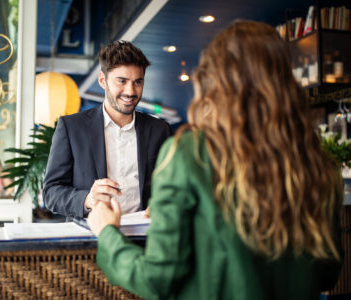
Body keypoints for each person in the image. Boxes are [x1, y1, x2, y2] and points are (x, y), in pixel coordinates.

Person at [87, 21, 343, 299]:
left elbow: (157, 280)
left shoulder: (188, 153)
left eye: (137, 81)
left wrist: (108, 234)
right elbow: (327, 272)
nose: (131, 89)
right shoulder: (320, 164)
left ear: (215, 80)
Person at [43, 40, 171, 218]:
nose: (131, 91)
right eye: (122, 81)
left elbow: (172, 188)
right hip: (90, 240)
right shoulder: (72, 128)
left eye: (137, 82)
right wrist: (87, 199)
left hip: (146, 240)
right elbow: (51, 193)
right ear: (103, 81)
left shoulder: (160, 130)